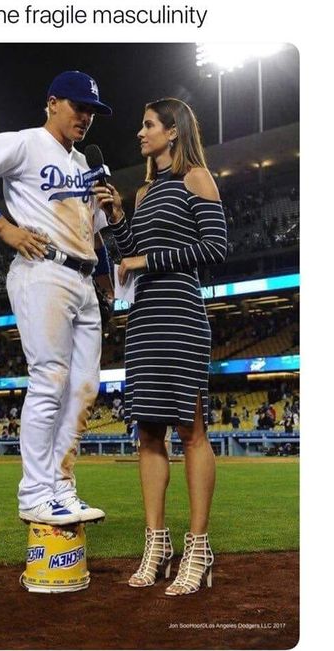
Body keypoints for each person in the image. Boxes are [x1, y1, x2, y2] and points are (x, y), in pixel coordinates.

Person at [0, 71, 112, 526]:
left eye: (92, 110)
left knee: (85, 388)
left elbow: (96, 232)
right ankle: (35, 493)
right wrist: (3, 227)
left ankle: (61, 486)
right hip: (43, 271)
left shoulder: (85, 164)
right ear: (52, 102)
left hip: (84, 276)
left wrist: (110, 240)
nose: (86, 116)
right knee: (50, 380)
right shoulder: (23, 143)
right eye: (78, 106)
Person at [95, 98, 227, 595]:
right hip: (146, 318)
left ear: (172, 132)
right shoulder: (147, 189)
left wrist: (146, 259)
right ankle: (156, 544)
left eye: (148, 124)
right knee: (148, 435)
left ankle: (198, 547)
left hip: (181, 314)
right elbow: (128, 257)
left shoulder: (198, 178)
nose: (140, 133)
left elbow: (215, 249)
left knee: (190, 432)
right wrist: (117, 217)